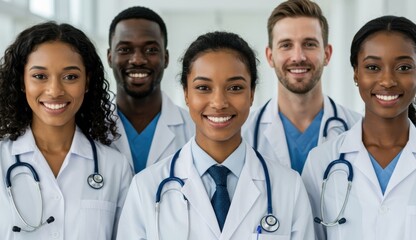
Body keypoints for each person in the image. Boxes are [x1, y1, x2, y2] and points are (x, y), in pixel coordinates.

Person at [116, 31, 315, 239]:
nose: (219, 103)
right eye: (203, 87)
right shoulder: (146, 187)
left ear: (252, 93)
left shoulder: (288, 187)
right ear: (186, 93)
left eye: (235, 88)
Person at [302, 15, 416, 239]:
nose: (387, 81)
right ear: (356, 73)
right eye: (373, 67)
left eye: (404, 67)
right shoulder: (321, 162)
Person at [0, 22, 132, 239]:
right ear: (22, 81)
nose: (55, 91)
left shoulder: (114, 167)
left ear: (87, 82)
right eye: (40, 76)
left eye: (70, 77)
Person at [243, 0, 361, 174]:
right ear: (270, 56)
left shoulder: (357, 129)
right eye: (286, 45)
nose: (298, 56)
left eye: (309, 44)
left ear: (327, 54)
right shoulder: (245, 134)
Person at [107, 6, 194, 174]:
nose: (138, 60)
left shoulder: (194, 131)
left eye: (151, 50)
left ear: (166, 58)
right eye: (125, 49)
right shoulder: (88, 130)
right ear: (110, 57)